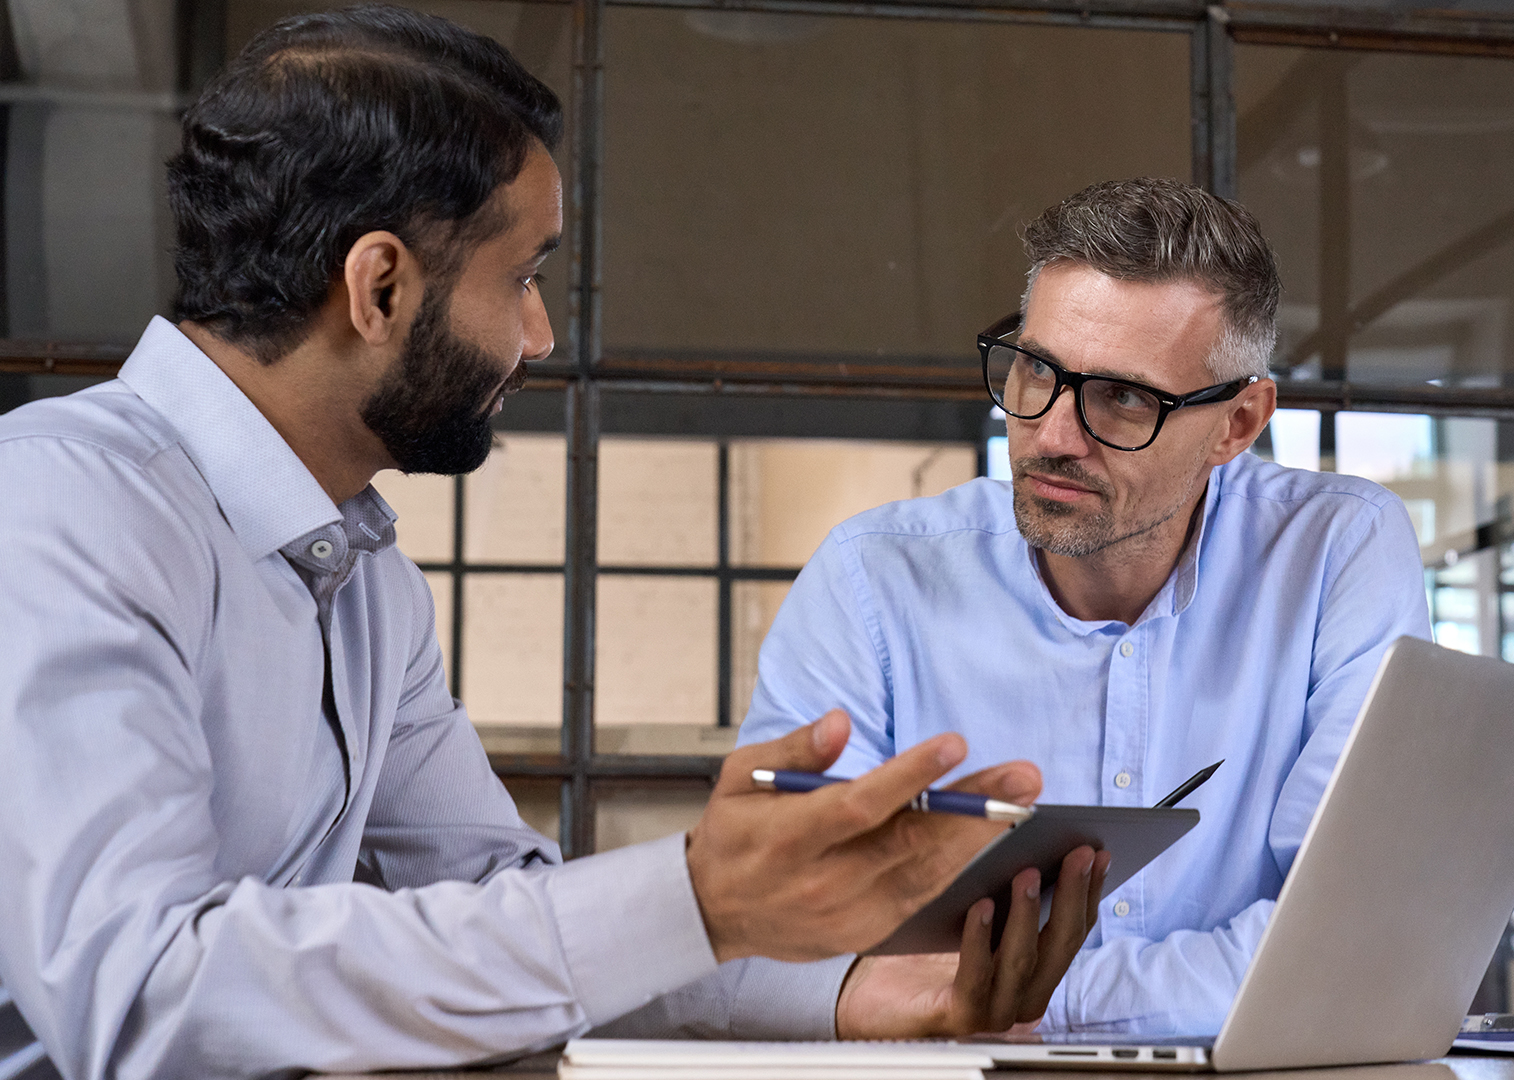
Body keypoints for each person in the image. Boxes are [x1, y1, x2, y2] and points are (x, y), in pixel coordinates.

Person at [0, 7, 1106, 1078]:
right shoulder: (59, 507)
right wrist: (698, 899)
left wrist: (859, 994)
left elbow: (501, 902)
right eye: (521, 280)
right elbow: (139, 999)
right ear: (378, 286)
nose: (539, 338)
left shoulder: (365, 576)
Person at [610, 177, 1431, 1040]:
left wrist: (1015, 1002)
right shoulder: (874, 581)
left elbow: (1352, 939)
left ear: (1237, 424)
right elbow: (757, 941)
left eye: (1124, 398)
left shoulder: (1339, 551)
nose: (1052, 435)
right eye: (1037, 369)